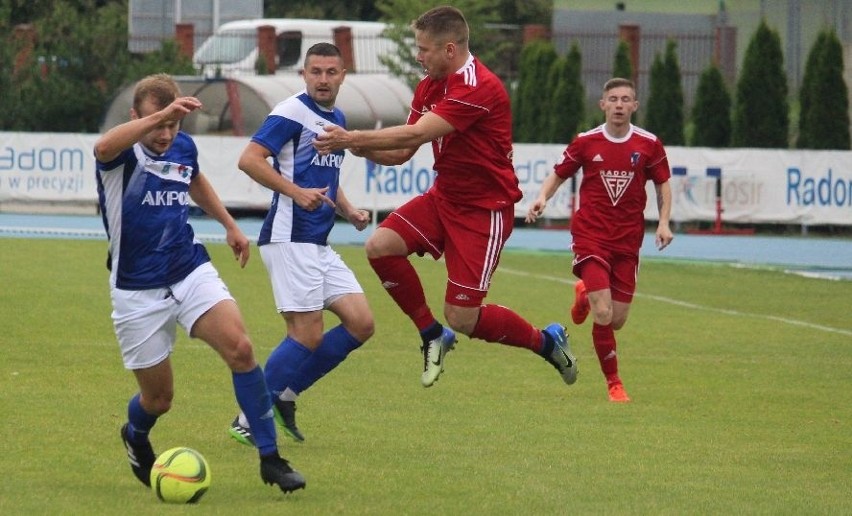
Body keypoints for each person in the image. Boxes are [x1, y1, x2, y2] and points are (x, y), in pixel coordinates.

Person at [313, 6, 577, 388]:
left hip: (483, 213)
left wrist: (351, 137)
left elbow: (415, 135)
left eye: (424, 49)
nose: (418, 56)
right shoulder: (430, 84)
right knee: (380, 246)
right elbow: (401, 153)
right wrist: (357, 148)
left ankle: (545, 341)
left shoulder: (477, 87)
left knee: (463, 318)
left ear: (449, 49)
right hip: (444, 198)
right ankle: (431, 333)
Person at [94, 73, 305, 493]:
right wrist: (162, 116)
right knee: (158, 400)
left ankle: (270, 458)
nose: (167, 133)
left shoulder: (181, 146)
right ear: (136, 117)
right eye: (158, 123)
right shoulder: (120, 155)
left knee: (242, 349)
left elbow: (193, 179)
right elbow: (101, 146)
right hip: (137, 290)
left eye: (174, 124)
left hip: (187, 269)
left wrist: (229, 225)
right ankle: (135, 434)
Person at [228, 43, 374, 446]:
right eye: (316, 72)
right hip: (290, 239)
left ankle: (286, 395)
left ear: (343, 75)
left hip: (317, 243)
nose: (323, 79)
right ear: (303, 75)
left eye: (331, 72)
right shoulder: (291, 112)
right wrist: (295, 192)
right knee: (307, 334)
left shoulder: (336, 118)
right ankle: (248, 417)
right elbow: (250, 159)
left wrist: (348, 209)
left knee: (361, 323)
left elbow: (328, 175)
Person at [525, 77, 674, 403]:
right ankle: (614, 384)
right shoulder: (586, 142)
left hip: (627, 242)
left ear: (635, 105)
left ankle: (583, 296)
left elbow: (663, 185)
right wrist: (541, 198)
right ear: (603, 104)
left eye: (626, 99)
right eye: (613, 99)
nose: (619, 105)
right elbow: (559, 173)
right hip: (591, 236)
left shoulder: (649, 144)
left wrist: (663, 223)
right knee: (603, 313)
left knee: (616, 320)